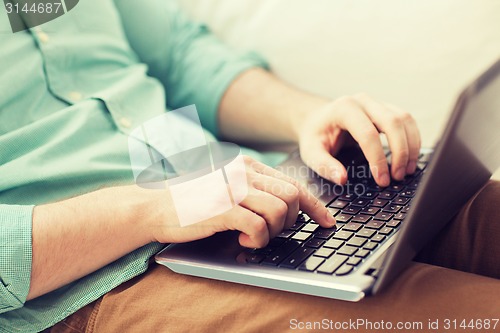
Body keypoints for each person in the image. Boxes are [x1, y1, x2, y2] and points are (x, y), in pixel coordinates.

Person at [0, 1, 499, 332]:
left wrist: (307, 116)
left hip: (252, 188)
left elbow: (179, 55)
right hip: (102, 278)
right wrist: (151, 208)